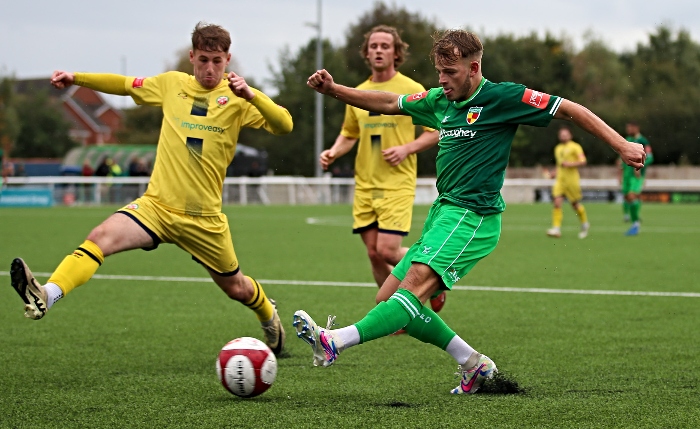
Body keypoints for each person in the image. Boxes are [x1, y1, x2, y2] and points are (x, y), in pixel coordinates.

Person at [294, 29, 646, 394]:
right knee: (388, 297)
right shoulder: (439, 100)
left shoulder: (502, 97)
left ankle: (334, 341)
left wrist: (621, 145)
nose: (442, 81)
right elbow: (389, 103)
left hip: (473, 216)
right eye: (439, 72)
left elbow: (568, 109)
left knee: (409, 294)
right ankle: (472, 364)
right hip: (443, 213)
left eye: (450, 72)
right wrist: (335, 91)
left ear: (474, 67)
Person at [9, 22, 293, 356]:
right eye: (203, 59)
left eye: (217, 61)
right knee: (100, 238)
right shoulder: (172, 84)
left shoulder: (239, 98)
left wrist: (253, 95)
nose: (209, 69)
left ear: (228, 59)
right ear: (191, 56)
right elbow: (126, 86)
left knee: (237, 288)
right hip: (157, 208)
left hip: (204, 220)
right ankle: (47, 294)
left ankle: (268, 315)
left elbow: (284, 125)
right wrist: (76, 78)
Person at [318, 25, 444, 312]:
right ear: (366, 52)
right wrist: (334, 151)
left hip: (397, 183)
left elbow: (436, 130)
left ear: (396, 53)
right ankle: (391, 312)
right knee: (374, 254)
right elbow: (350, 133)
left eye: (385, 46)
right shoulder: (358, 93)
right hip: (364, 184)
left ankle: (432, 275)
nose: (378, 50)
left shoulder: (411, 90)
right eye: (373, 46)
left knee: (387, 250)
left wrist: (406, 148)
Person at [546, 126, 590, 239]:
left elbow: (583, 161)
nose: (563, 136)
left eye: (565, 134)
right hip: (560, 180)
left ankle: (584, 223)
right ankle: (556, 228)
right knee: (557, 202)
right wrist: (553, 173)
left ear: (570, 135)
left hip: (572, 180)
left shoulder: (575, 147)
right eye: (561, 134)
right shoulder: (557, 148)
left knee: (575, 205)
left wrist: (570, 164)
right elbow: (560, 164)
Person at [620, 121, 653, 236]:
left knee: (632, 196)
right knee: (628, 197)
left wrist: (639, 165)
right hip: (627, 175)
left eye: (630, 128)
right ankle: (635, 219)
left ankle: (635, 225)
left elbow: (650, 158)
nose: (628, 130)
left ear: (636, 128)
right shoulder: (627, 139)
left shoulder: (643, 141)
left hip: (637, 174)